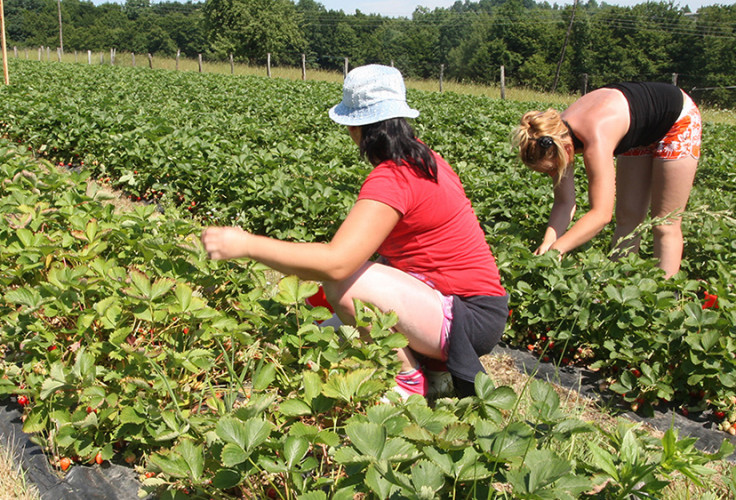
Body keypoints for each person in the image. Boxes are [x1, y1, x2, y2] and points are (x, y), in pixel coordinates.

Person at [201, 64, 508, 399]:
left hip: (466, 320)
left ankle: (407, 379)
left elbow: (337, 263)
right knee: (334, 322)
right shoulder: (427, 159)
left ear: (354, 126)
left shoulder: (392, 179)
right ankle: (435, 374)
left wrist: (247, 244)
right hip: (477, 308)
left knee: (342, 282)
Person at [512, 81, 702, 278]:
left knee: (664, 222)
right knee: (628, 216)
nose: (554, 174)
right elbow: (564, 201)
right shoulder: (553, 134)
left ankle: (668, 293)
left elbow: (601, 215)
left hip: (676, 120)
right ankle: (618, 282)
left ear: (565, 150)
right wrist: (548, 242)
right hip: (640, 127)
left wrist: (557, 250)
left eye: (553, 169)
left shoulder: (596, 139)